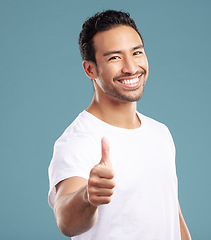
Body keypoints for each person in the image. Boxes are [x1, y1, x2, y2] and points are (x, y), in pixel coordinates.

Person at [48, 10, 191, 240]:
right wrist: (87, 196)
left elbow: (171, 213)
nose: (131, 67)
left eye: (137, 53)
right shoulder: (78, 141)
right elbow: (66, 221)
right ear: (90, 69)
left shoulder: (160, 132)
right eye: (114, 57)